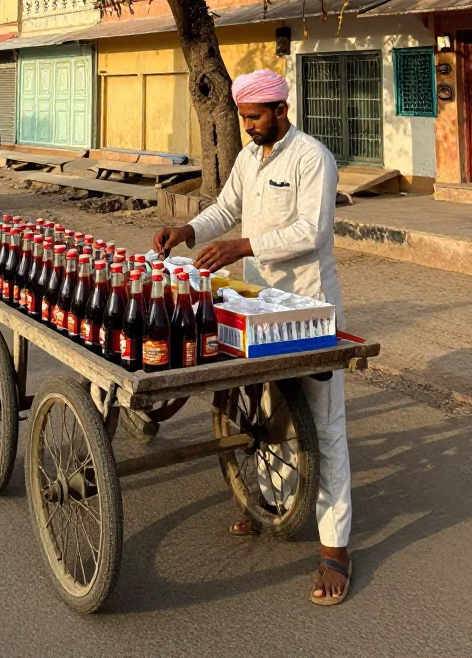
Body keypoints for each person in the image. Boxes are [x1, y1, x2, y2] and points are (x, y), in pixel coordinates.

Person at [154, 68, 352, 607]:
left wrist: (242, 248)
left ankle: (335, 547)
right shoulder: (248, 158)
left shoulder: (312, 157)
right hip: (259, 306)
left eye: (255, 117)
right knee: (262, 408)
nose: (248, 127)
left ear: (282, 110)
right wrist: (189, 231)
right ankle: (270, 502)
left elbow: (310, 231)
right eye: (243, 118)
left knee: (324, 423)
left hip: (308, 304)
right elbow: (225, 207)